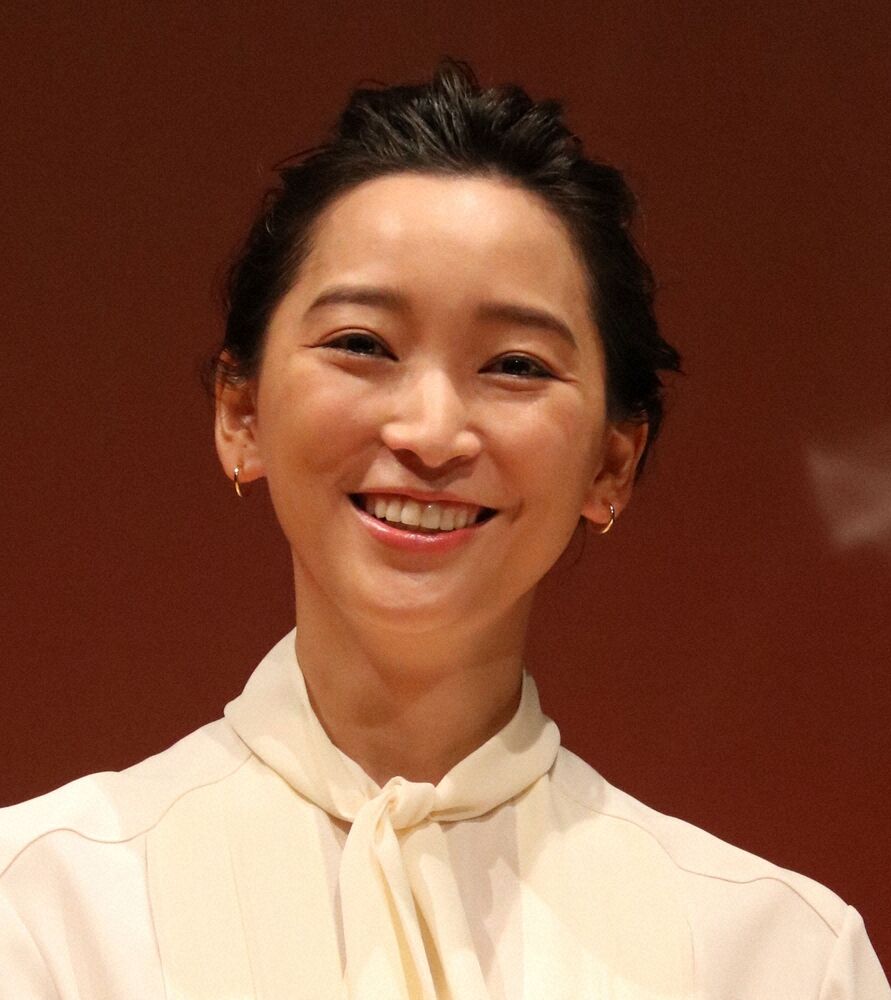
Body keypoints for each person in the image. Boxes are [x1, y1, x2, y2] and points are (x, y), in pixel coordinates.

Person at [1, 60, 887, 1000]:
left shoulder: (777, 958)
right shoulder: (42, 910)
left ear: (611, 463)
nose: (428, 433)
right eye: (361, 345)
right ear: (242, 414)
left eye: (515, 365)